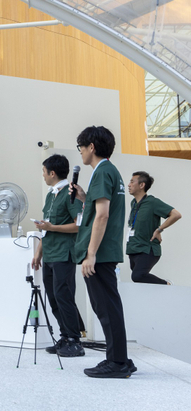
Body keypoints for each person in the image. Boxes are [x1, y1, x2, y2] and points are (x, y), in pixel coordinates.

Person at [70, 126, 136, 378]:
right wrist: (84, 197)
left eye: (81, 147)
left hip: (100, 253)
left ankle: (117, 362)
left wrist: (91, 254)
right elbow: (101, 208)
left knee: (106, 309)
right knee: (110, 307)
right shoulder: (111, 171)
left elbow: (103, 216)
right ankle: (121, 359)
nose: (80, 152)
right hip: (106, 251)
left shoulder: (101, 172)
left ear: (92, 147)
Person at [31, 154, 85, 357]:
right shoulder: (50, 195)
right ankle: (64, 336)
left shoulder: (70, 194)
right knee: (53, 298)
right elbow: (46, 226)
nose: (43, 175)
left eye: (44, 172)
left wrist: (52, 227)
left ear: (52, 173)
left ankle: (74, 340)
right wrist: (38, 252)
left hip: (64, 253)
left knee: (64, 297)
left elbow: (78, 225)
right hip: (50, 254)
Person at [125, 171, 182, 285]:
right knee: (140, 282)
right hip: (133, 248)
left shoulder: (152, 202)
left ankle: (167, 284)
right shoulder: (134, 203)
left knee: (138, 276)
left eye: (132, 182)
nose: (129, 185)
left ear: (142, 185)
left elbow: (176, 215)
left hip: (148, 248)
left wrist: (159, 229)